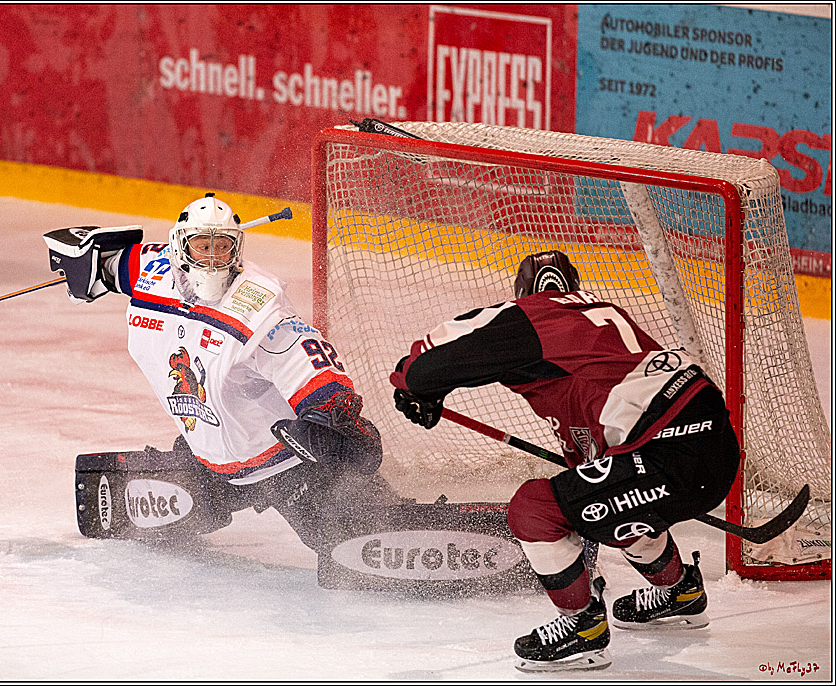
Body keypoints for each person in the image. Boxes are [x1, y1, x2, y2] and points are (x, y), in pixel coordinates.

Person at [389, 250, 740, 672]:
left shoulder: (533, 315)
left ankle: (582, 629)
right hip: (713, 443)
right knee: (599, 497)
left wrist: (414, 386)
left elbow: (430, 361)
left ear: (523, 294)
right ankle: (679, 594)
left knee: (535, 509)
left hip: (670, 452)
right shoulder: (601, 317)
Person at [45, 194, 400, 555]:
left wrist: (329, 409)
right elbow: (115, 265)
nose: (213, 258)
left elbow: (302, 353)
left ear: (238, 248)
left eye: (223, 246)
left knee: (358, 543)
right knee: (157, 511)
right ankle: (203, 482)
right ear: (180, 247)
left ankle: (395, 515)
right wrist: (88, 264)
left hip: (285, 464)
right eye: (202, 246)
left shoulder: (258, 306)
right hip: (207, 461)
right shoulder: (153, 270)